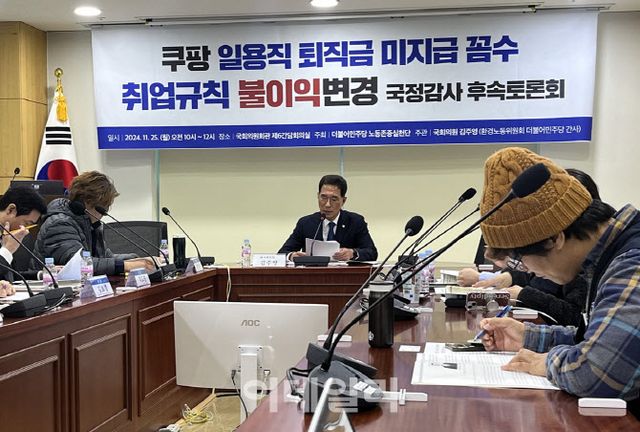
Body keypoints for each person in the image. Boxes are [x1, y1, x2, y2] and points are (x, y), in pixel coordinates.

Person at [476, 147, 639, 413]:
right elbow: (598, 340)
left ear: (555, 239)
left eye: (521, 259)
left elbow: (596, 374)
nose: (528, 271)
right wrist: (529, 336)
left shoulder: (632, 263)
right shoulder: (608, 257)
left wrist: (544, 362)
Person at [34, 171, 157, 275]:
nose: (105, 212)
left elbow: (104, 258)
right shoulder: (59, 224)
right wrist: (125, 266)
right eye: (103, 206)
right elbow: (79, 264)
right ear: (87, 202)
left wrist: (138, 260)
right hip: (50, 289)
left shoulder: (88, 222)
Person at [278, 174, 378, 261]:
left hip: (344, 275)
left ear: (343, 200)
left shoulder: (355, 222)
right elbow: (282, 253)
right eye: (323, 197)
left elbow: (371, 253)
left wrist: (353, 253)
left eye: (334, 199)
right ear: (318, 196)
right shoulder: (305, 223)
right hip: (313, 274)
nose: (327, 204)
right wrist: (292, 256)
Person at [0, 186, 47, 282]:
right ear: (10, 210)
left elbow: (11, 276)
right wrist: (7, 250)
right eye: (27, 223)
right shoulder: (8, 241)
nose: (25, 230)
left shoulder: (4, 234)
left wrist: (42, 275)